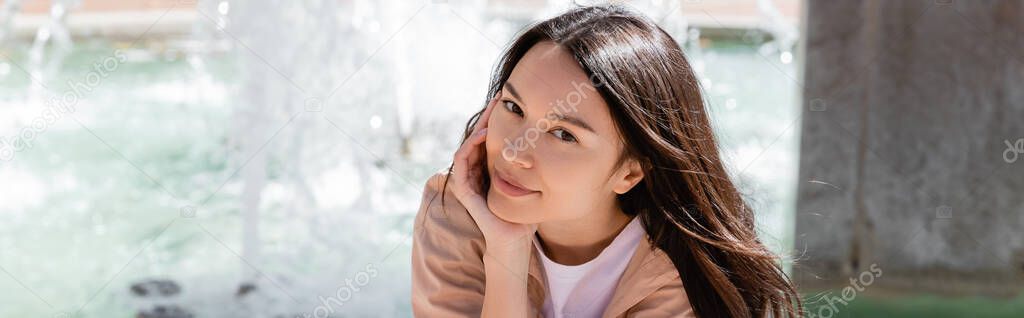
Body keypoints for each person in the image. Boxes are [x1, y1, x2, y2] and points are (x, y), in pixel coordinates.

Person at [411, 5, 802, 317]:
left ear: (630, 171)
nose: (514, 150)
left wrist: (507, 249)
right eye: (513, 107)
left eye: (564, 134)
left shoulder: (678, 272)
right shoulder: (453, 213)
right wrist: (505, 248)